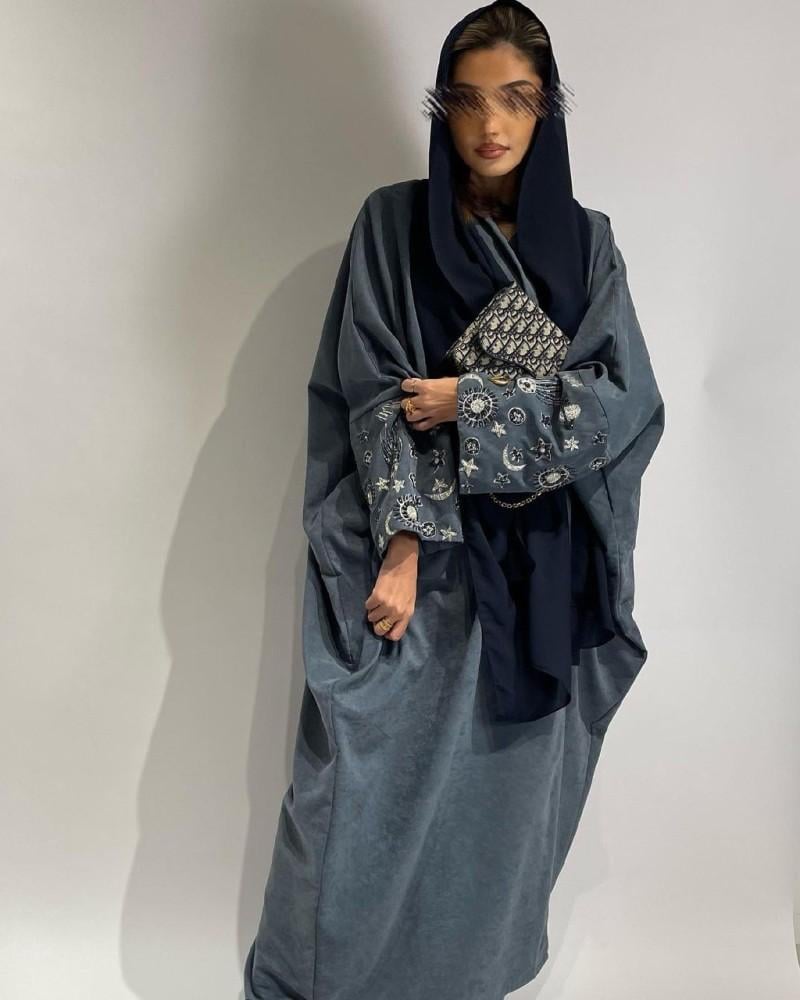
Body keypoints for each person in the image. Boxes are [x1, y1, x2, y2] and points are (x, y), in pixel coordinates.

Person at [243, 2, 665, 998]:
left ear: (545, 109)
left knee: (501, 810)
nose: (491, 124)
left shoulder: (586, 246)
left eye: (515, 100)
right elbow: (369, 385)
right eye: (467, 102)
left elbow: (619, 405)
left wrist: (469, 401)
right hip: (425, 566)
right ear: (441, 110)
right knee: (357, 792)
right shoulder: (393, 226)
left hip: (542, 573)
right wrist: (401, 544)